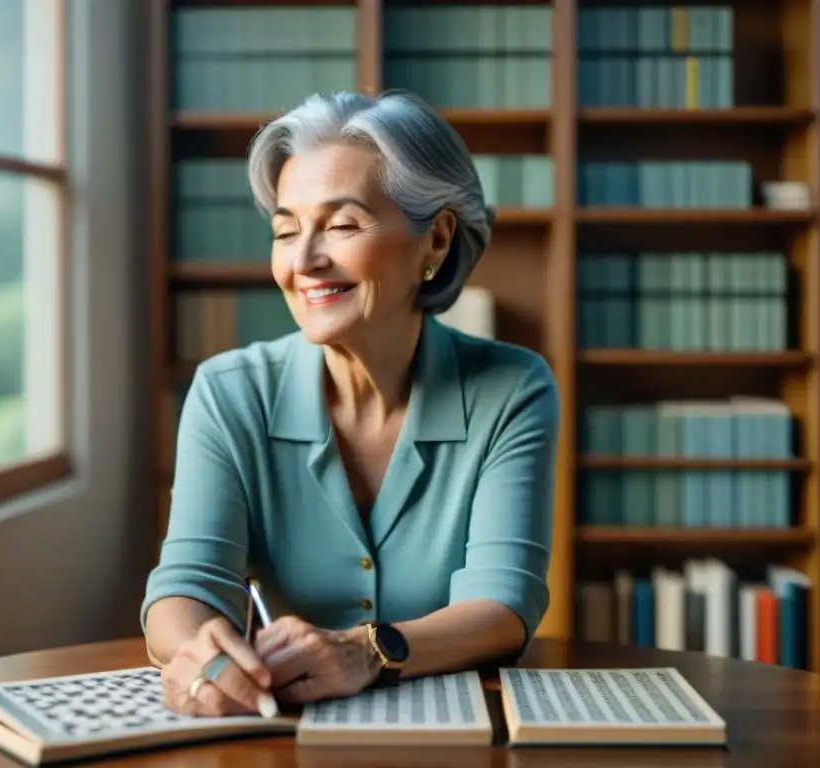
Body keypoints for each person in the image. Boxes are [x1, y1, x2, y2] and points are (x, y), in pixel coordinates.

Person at [141, 90, 561, 719]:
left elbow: (504, 604)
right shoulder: (228, 391)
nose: (304, 262)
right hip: (277, 730)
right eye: (286, 230)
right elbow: (186, 585)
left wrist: (367, 651)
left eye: (340, 225)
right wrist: (199, 653)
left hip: (454, 734)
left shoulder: (513, 388)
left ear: (436, 241)